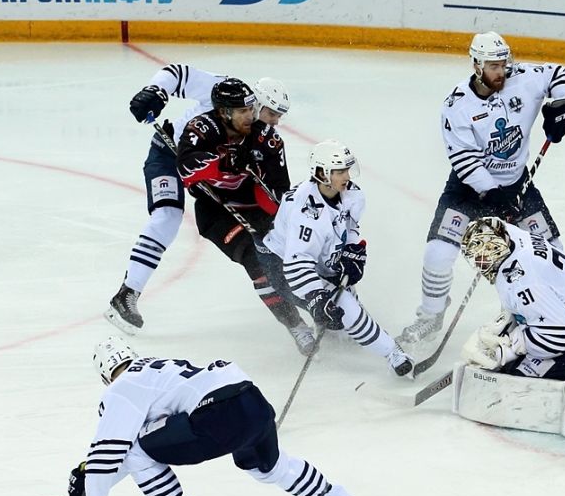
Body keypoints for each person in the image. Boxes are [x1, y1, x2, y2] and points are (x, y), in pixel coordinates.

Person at [67, 336, 366, 496]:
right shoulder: (158, 369)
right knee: (270, 467)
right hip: (251, 399)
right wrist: (91, 475)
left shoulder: (121, 387)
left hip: (216, 413)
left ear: (106, 375)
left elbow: (113, 450)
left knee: (137, 451)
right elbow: (121, 454)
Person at [399, 31, 565, 344]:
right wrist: (494, 197)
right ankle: (430, 316)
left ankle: (553, 313)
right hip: (468, 190)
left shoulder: (523, 78)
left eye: (503, 64)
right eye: (493, 66)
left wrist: (563, 106)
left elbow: (562, 75)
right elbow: (465, 161)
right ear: (476, 65)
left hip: (517, 186)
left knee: (552, 252)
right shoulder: (457, 105)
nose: (501, 72)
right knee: (437, 254)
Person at [105, 66, 291, 334]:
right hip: (169, 157)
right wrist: (155, 91)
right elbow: (177, 73)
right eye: (270, 114)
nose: (273, 122)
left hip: (212, 172)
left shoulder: (258, 137)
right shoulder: (222, 90)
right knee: (166, 215)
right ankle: (127, 293)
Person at [175, 78, 319, 354]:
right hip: (216, 213)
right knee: (258, 267)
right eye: (242, 111)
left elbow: (279, 194)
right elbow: (186, 170)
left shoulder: (267, 138)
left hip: (256, 210)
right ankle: (296, 326)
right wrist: (225, 163)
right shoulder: (201, 128)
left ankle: (323, 304)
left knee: (291, 259)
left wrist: (271, 214)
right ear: (223, 112)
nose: (250, 115)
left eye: (251, 108)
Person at [455, 217, 565, 438]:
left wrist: (511, 346)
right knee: (514, 366)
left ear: (497, 249)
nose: (479, 264)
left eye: (482, 258)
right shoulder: (514, 236)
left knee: (512, 383)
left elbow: (558, 337)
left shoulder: (522, 279)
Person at [261, 140, 413, 376]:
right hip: (284, 267)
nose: (347, 176)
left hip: (318, 259)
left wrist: (353, 252)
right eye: (340, 171)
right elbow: (298, 261)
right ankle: (392, 352)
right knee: (344, 307)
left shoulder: (350, 193)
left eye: (347, 169)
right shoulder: (307, 212)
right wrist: (316, 298)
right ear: (322, 173)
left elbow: (349, 226)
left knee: (343, 302)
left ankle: (336, 330)